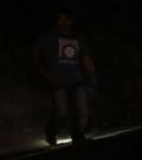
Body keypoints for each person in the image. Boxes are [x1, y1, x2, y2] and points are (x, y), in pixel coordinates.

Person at [32, 9, 96, 145]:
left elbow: (86, 58)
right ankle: (51, 131)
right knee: (61, 110)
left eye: (67, 19)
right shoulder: (49, 37)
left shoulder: (77, 38)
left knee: (82, 108)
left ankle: (77, 135)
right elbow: (35, 54)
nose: (64, 22)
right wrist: (44, 72)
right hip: (58, 80)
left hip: (76, 78)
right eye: (61, 18)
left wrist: (91, 76)